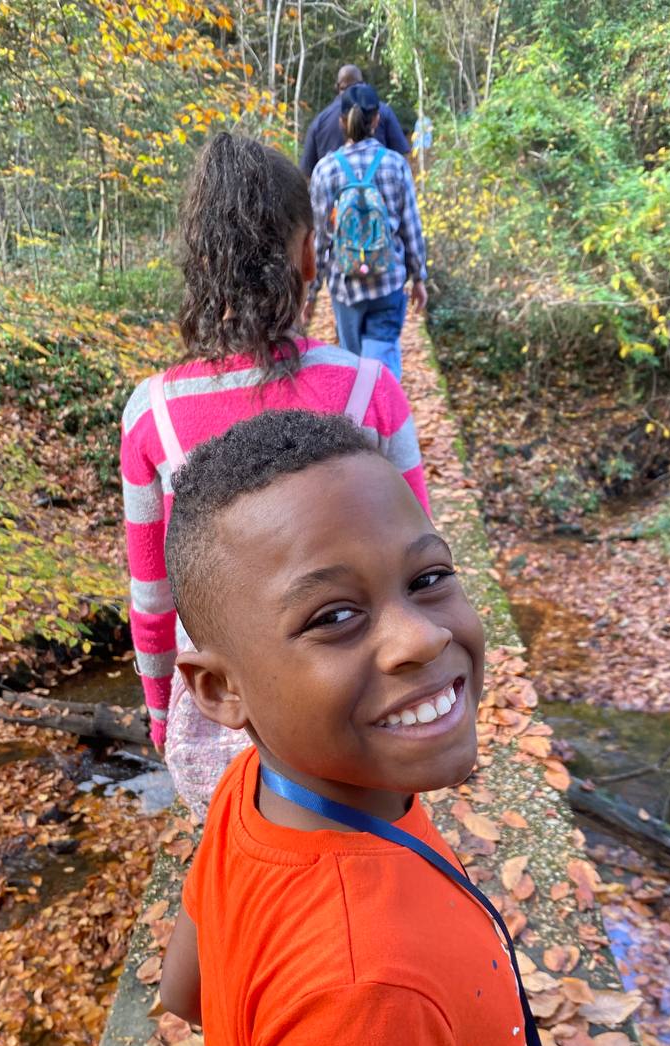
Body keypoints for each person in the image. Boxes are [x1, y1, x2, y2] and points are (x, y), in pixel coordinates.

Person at [157, 409, 536, 1046]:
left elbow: (188, 991)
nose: (422, 636)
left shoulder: (255, 790)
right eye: (334, 616)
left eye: (429, 578)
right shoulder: (368, 994)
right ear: (220, 690)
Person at [120, 132, 429, 820]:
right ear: (310, 254)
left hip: (227, 718)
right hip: (357, 704)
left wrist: (163, 714)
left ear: (199, 262)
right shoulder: (369, 390)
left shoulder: (152, 413)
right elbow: (417, 564)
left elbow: (153, 598)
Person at [305, 83, 428, 382]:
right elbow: (411, 227)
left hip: (346, 287)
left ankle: (361, 407)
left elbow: (319, 239)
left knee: (354, 369)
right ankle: (385, 405)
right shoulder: (396, 165)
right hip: (388, 282)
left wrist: (311, 292)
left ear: (341, 121)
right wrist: (418, 277)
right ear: (376, 120)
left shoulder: (326, 170)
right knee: (382, 374)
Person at [299, 63, 410, 178]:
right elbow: (402, 156)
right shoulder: (382, 111)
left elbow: (306, 174)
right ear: (376, 120)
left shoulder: (320, 121)